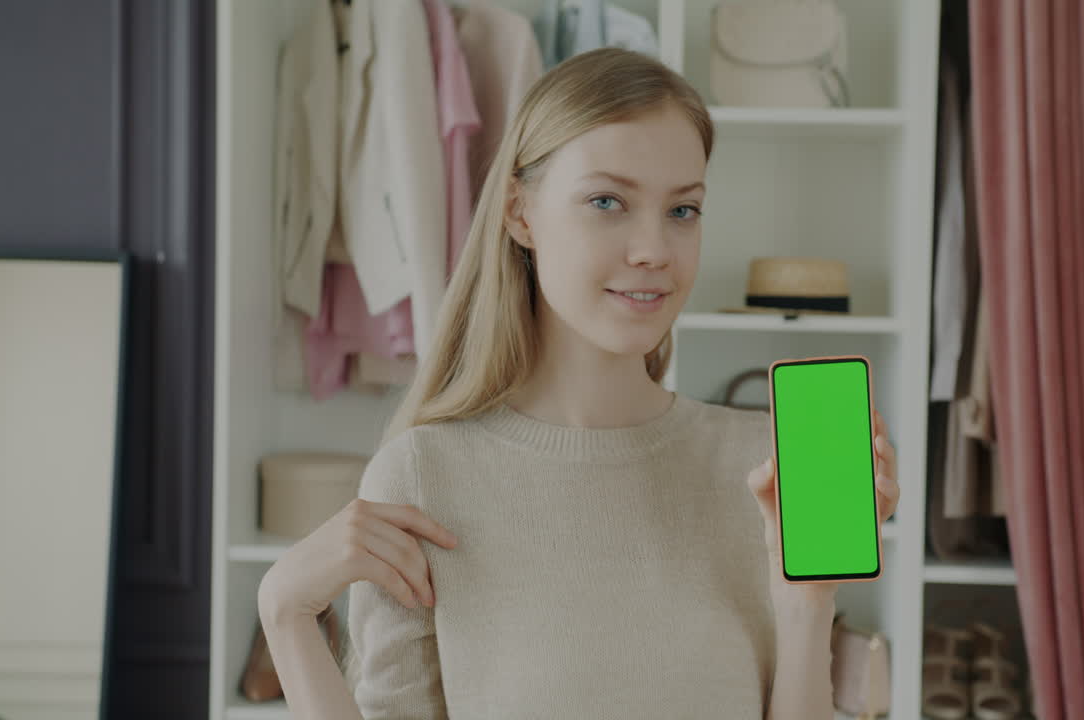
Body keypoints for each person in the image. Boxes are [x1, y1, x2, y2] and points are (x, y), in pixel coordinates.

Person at [257, 47, 900, 720]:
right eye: (607, 201)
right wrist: (286, 616)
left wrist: (808, 603)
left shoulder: (762, 470)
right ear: (518, 212)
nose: (653, 248)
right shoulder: (423, 479)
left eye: (683, 210)